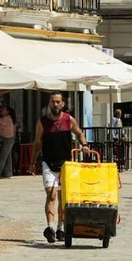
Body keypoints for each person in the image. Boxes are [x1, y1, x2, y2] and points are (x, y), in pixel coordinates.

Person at [33, 93, 87, 242]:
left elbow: (79, 133)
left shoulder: (68, 120)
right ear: (49, 104)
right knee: (51, 195)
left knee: (63, 197)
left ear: (63, 104)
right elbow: (37, 143)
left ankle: (60, 228)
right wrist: (33, 161)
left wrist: (85, 145)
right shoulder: (42, 122)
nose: (55, 104)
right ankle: (50, 228)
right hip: (48, 163)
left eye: (58, 102)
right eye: (53, 102)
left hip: (65, 165)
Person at [0, 104, 18, 179]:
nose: (2, 111)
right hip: (7, 138)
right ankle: (8, 173)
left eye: (4, 109)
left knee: (3, 156)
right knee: (8, 157)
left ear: (7, 111)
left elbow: (0, 127)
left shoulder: (6, 118)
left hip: (8, 139)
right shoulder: (6, 118)